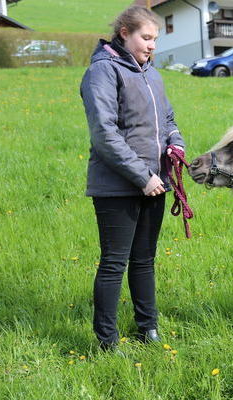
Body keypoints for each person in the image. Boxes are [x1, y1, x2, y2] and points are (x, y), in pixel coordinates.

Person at [80, 6, 185, 350]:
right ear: (124, 33)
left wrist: (176, 143)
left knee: (144, 259)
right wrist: (142, 176)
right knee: (114, 263)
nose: (152, 45)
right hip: (117, 187)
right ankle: (107, 340)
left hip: (155, 183)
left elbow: (168, 119)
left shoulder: (152, 74)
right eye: (146, 37)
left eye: (155, 38)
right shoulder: (102, 72)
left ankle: (148, 328)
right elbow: (104, 133)